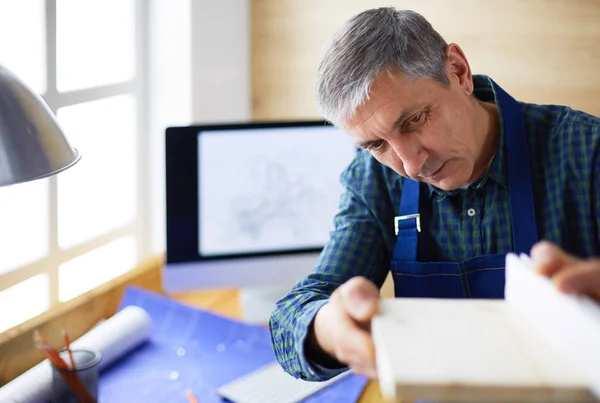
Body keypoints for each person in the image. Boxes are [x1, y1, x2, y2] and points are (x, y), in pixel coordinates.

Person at [268, 7, 600, 381]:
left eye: (414, 120)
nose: (410, 165)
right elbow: (293, 313)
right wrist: (327, 330)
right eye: (377, 144)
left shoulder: (587, 152)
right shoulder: (374, 180)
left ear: (458, 71)